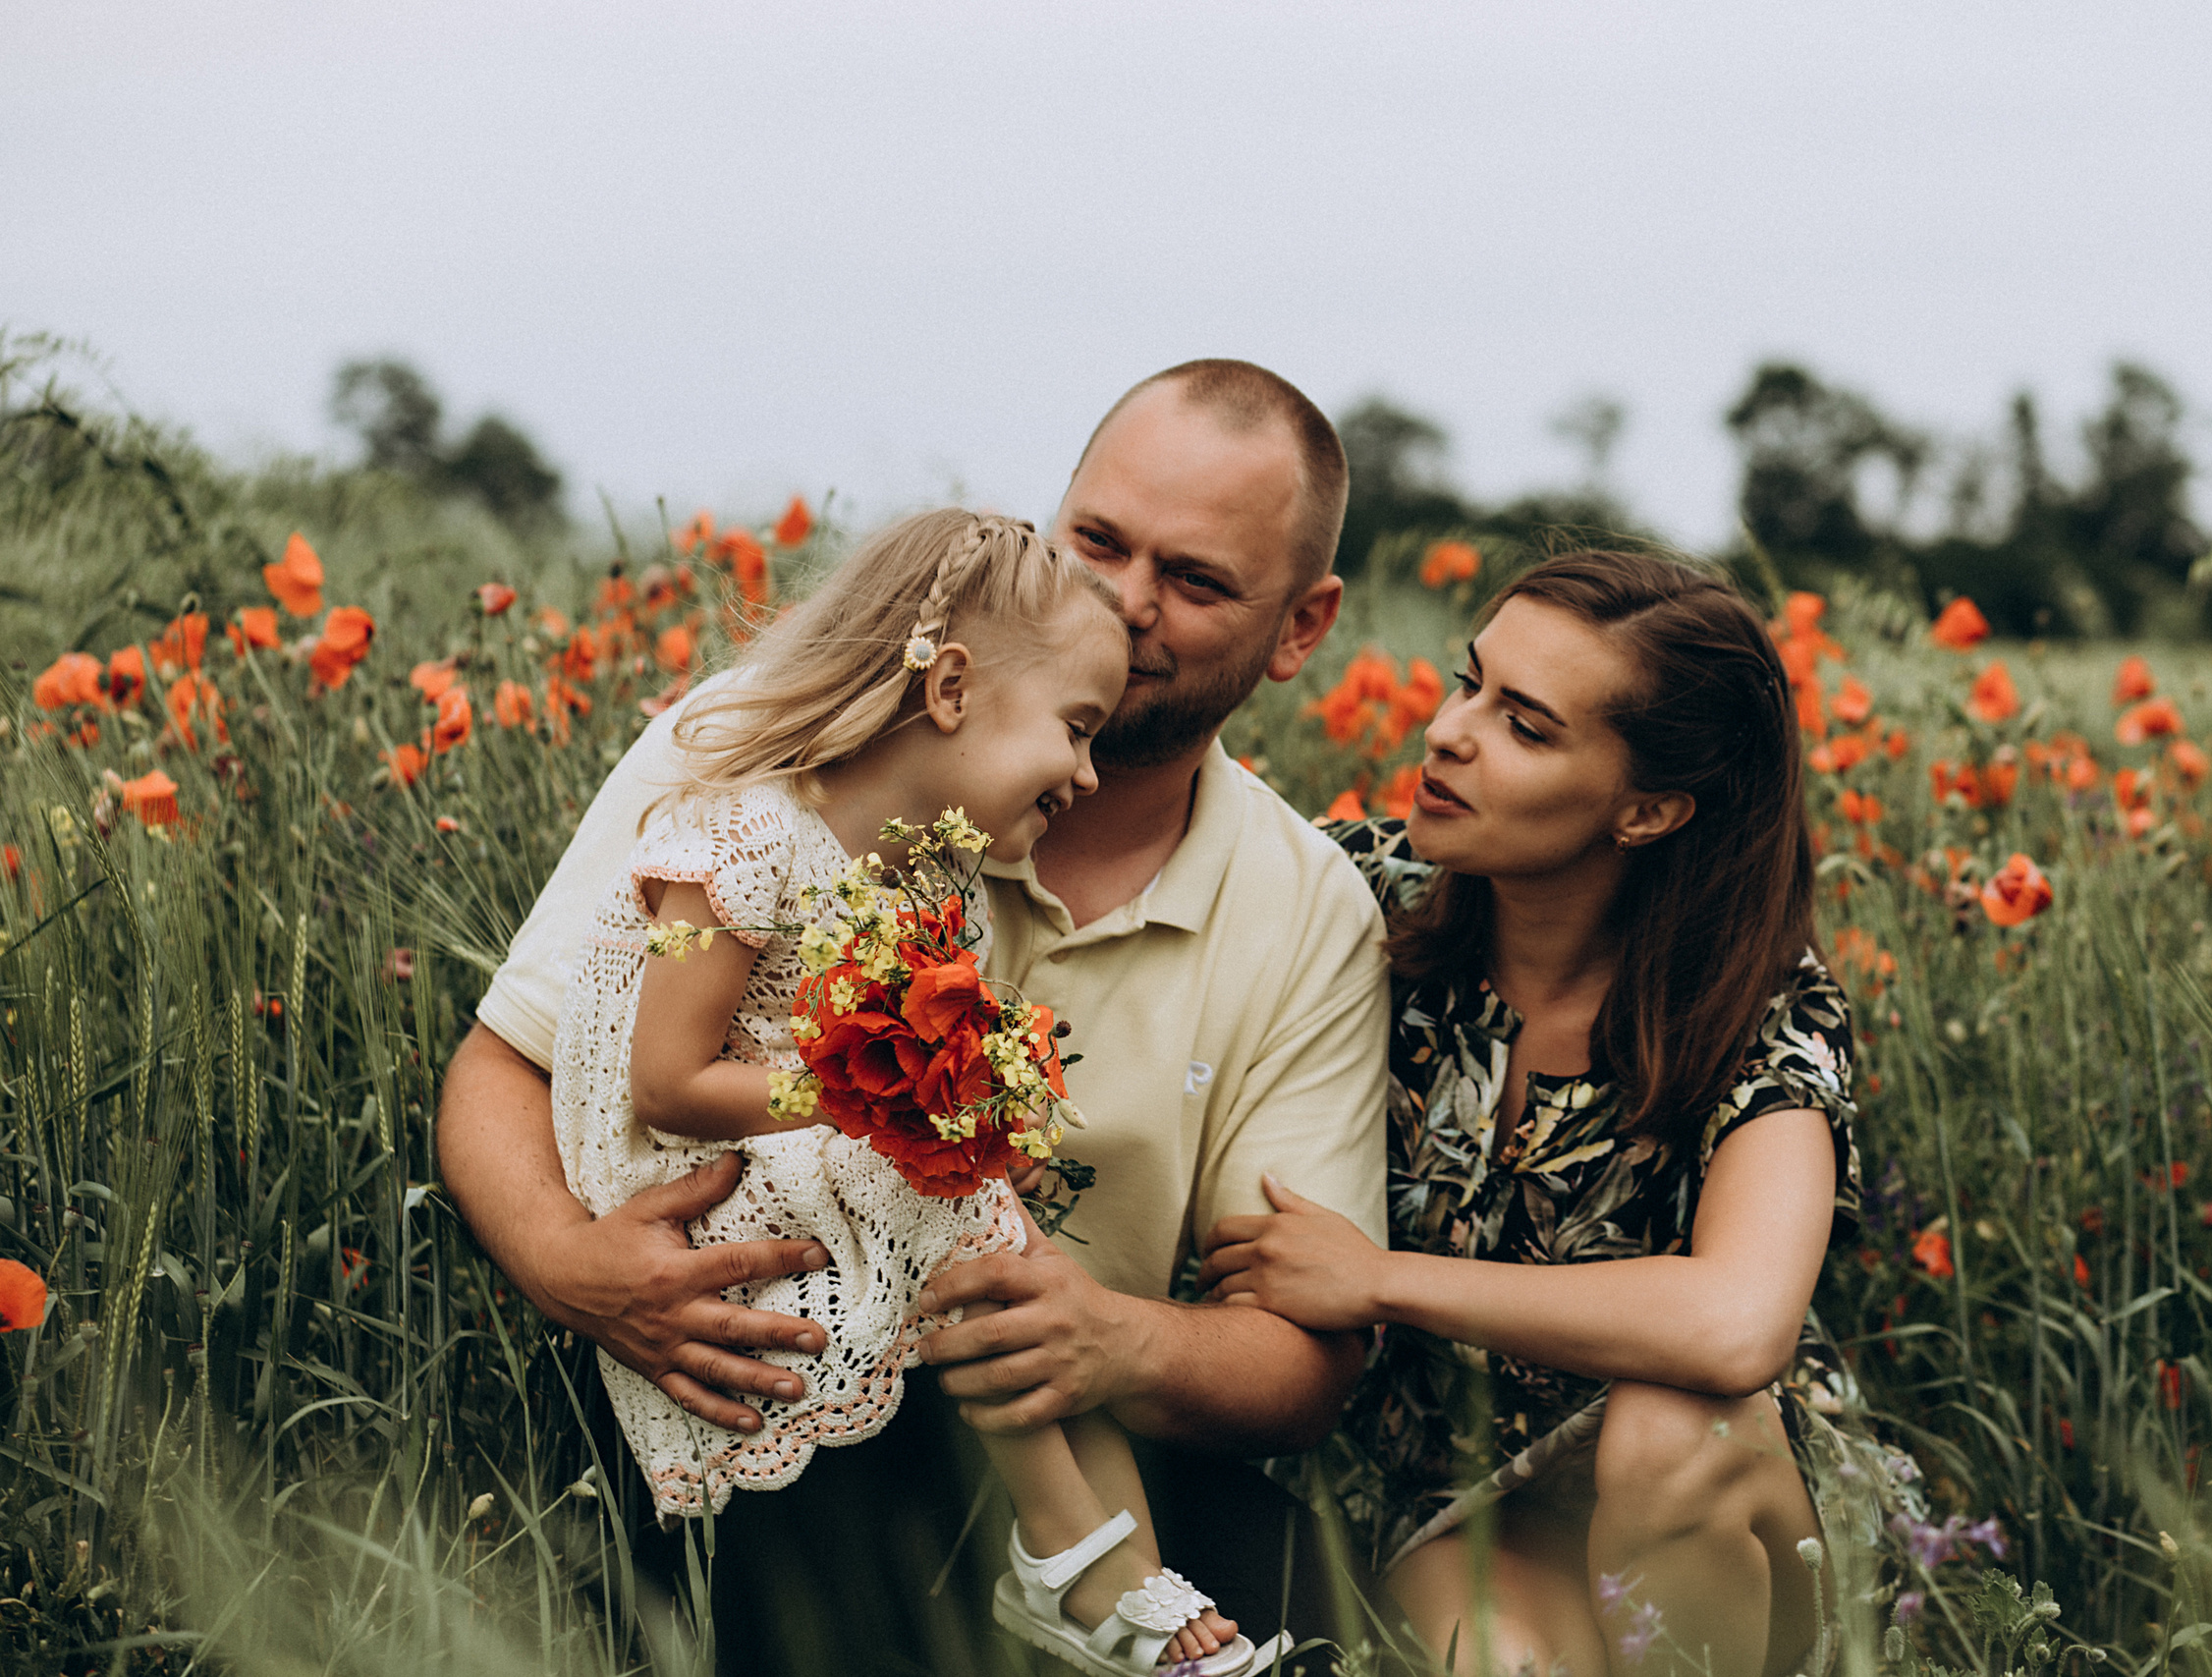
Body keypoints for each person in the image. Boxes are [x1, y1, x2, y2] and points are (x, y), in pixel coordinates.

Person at [436, 361, 1390, 1669]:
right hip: (759, 1361)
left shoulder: (1307, 905)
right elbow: (508, 1056)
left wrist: (1107, 1337)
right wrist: (568, 1263)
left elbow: (1306, 1357)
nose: (1127, 599)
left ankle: (1096, 1583)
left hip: (1070, 1417)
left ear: (1303, 625)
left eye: (1201, 578)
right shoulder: (756, 750)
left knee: (1341, 1626)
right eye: (1098, 539)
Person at [553, 507, 1275, 1671]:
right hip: (697, 1175)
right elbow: (668, 1081)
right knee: (927, 1168)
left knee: (1017, 1240)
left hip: (810, 1155)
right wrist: (868, 1102)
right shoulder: (738, 833)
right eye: (1078, 730)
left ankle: (1117, 1560)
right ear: (948, 691)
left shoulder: (934, 877)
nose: (1089, 774)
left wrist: (985, 1106)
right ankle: (1068, 1561)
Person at [1202, 549, 1866, 1677]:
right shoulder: (1354, 901)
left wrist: (1378, 1278)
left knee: (1669, 1431)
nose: (1447, 733)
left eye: (1525, 726)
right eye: (1468, 682)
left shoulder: (1755, 1008)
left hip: (1728, 1512)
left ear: (1648, 809)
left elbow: (1737, 1323)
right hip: (1462, 1507)